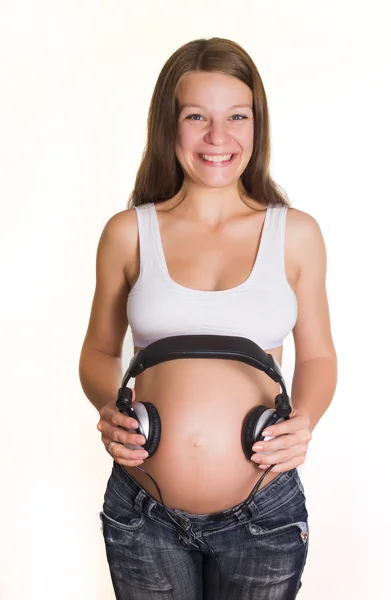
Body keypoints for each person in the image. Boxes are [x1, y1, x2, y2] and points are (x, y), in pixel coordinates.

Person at [79, 37, 337, 600]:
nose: (218, 138)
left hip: (264, 510)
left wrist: (305, 419)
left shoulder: (296, 234)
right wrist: (110, 406)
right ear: (168, 126)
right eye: (198, 116)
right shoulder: (128, 232)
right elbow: (99, 353)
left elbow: (317, 353)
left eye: (235, 117)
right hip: (142, 511)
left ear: (255, 124)